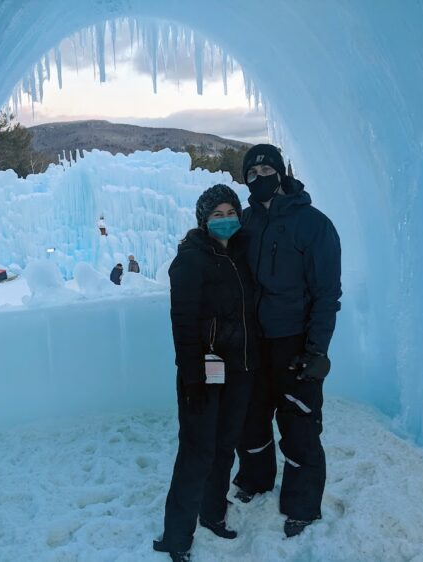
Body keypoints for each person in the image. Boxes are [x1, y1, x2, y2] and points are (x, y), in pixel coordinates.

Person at [232, 144, 342, 538]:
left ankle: (302, 505)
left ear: (281, 173)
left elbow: (327, 293)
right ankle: (255, 480)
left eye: (266, 168)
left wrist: (317, 350)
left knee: (299, 423)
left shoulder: (313, 224)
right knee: (251, 417)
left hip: (294, 341)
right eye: (252, 171)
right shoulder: (244, 223)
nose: (259, 176)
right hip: (254, 342)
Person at [154, 184, 259, 562]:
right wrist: (192, 375)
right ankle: (176, 536)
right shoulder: (191, 259)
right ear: (204, 219)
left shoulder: (243, 255)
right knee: (197, 450)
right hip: (204, 372)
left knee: (225, 444)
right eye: (217, 214)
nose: (225, 220)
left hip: (240, 368)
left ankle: (213, 512)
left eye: (231, 212)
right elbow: (182, 323)